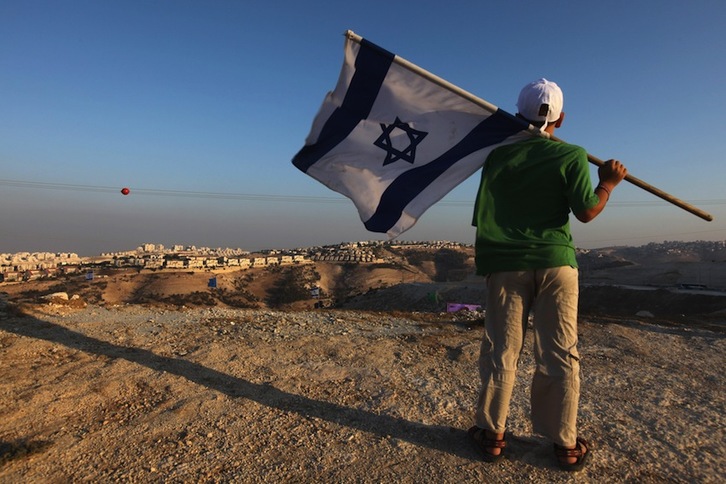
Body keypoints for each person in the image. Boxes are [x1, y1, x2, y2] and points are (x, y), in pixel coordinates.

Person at [467, 78, 627, 472]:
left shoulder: (497, 156)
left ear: (518, 114)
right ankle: (566, 444)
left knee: (502, 350)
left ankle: (493, 436)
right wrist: (607, 183)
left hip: (506, 264)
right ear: (562, 118)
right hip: (556, 263)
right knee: (559, 352)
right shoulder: (571, 155)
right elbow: (586, 211)